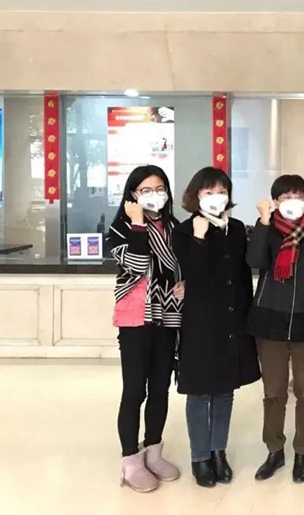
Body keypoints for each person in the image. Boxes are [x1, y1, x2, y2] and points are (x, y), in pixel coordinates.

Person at [246, 174, 304, 484]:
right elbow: (254, 260)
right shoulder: (267, 232)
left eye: (298, 196)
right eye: (286, 197)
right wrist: (262, 222)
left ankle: (302, 451)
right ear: (275, 201)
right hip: (269, 323)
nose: (293, 202)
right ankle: (274, 450)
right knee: (273, 392)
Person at [173, 167, 261, 488]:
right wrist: (199, 238)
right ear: (195, 196)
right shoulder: (184, 231)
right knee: (199, 392)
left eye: (221, 192)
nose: (216, 197)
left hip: (232, 321)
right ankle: (200, 457)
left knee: (225, 391)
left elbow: (244, 274)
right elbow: (194, 276)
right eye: (209, 192)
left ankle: (218, 452)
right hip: (200, 323)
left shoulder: (235, 229)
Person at [108, 165, 185, 493]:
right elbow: (138, 264)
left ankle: (153, 451)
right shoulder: (121, 229)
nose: (155, 195)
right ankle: (130, 460)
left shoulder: (175, 228)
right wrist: (138, 222)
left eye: (160, 188)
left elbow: (184, 266)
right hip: (135, 319)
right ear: (133, 195)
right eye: (146, 190)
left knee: (160, 389)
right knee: (134, 391)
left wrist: (186, 284)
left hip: (168, 317)